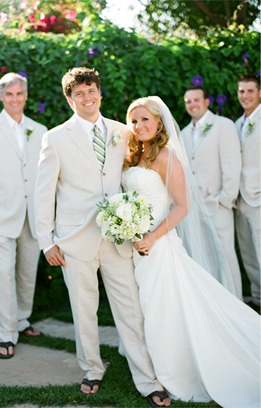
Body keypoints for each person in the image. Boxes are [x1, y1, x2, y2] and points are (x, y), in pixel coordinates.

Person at [34, 67, 169, 407]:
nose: (87, 97)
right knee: (84, 309)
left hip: (118, 236)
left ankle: (147, 378)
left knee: (130, 309)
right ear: (70, 99)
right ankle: (92, 369)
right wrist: (46, 240)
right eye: (79, 93)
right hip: (73, 239)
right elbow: (43, 192)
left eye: (91, 90)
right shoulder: (56, 137)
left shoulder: (123, 132)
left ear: (100, 93)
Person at [124, 96, 260, 408]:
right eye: (134, 121)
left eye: (145, 119)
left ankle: (172, 370)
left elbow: (183, 206)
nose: (138, 126)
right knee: (142, 306)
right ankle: (146, 361)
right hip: (134, 246)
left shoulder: (167, 157)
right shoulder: (133, 155)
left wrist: (153, 237)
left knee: (163, 309)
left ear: (159, 123)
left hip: (158, 247)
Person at [0, 72, 47, 359]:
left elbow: (45, 176)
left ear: (26, 96)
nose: (15, 99)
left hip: (34, 215)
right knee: (4, 275)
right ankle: (5, 334)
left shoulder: (40, 130)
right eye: (9, 94)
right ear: (1, 97)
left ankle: (21, 319)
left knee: (28, 273)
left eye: (19, 94)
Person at [181, 86, 242, 299]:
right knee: (204, 257)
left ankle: (237, 302)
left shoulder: (223, 125)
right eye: (188, 101)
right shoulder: (184, 133)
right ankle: (217, 304)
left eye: (196, 100)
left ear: (207, 101)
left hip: (218, 205)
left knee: (225, 256)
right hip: (195, 208)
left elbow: (232, 165)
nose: (192, 105)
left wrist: (225, 200)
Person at [234, 74, 261, 313]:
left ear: (259, 93)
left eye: (250, 91)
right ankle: (257, 297)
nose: (245, 96)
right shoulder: (237, 124)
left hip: (259, 197)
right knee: (248, 250)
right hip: (240, 198)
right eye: (242, 91)